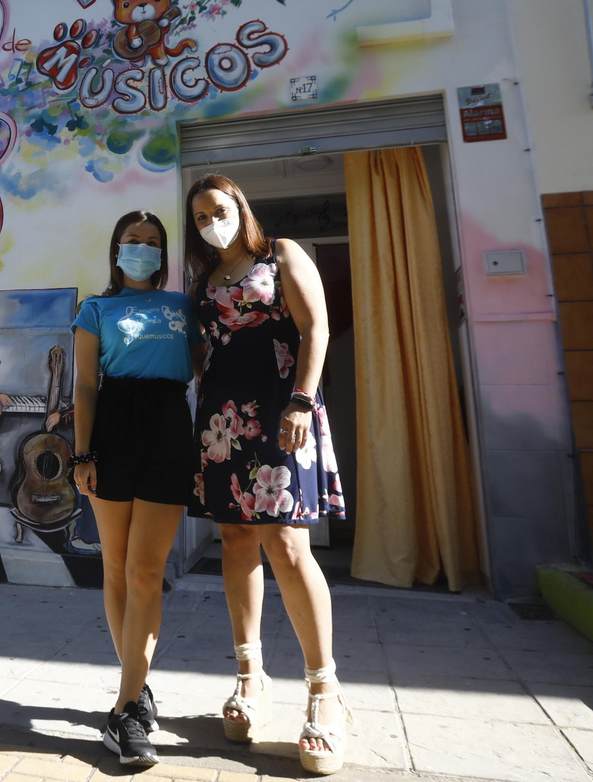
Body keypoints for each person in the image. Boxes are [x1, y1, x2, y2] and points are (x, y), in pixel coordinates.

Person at [185, 173, 349, 776]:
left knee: (287, 544)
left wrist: (303, 400)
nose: (210, 222)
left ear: (240, 207)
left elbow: (317, 328)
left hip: (283, 411)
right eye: (199, 216)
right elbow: (203, 347)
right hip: (223, 419)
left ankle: (324, 690)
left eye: (217, 210)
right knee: (233, 541)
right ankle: (251, 677)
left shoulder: (280, 254)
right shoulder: (202, 279)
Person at [71, 210, 204, 767]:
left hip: (169, 430)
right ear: (116, 248)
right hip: (112, 433)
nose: (142, 250)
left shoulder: (184, 307)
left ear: (163, 252)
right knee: (117, 567)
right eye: (133, 241)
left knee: (148, 571)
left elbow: (205, 368)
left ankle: (126, 706)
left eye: (152, 243)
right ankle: (136, 692)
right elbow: (84, 384)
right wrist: (81, 454)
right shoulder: (95, 310)